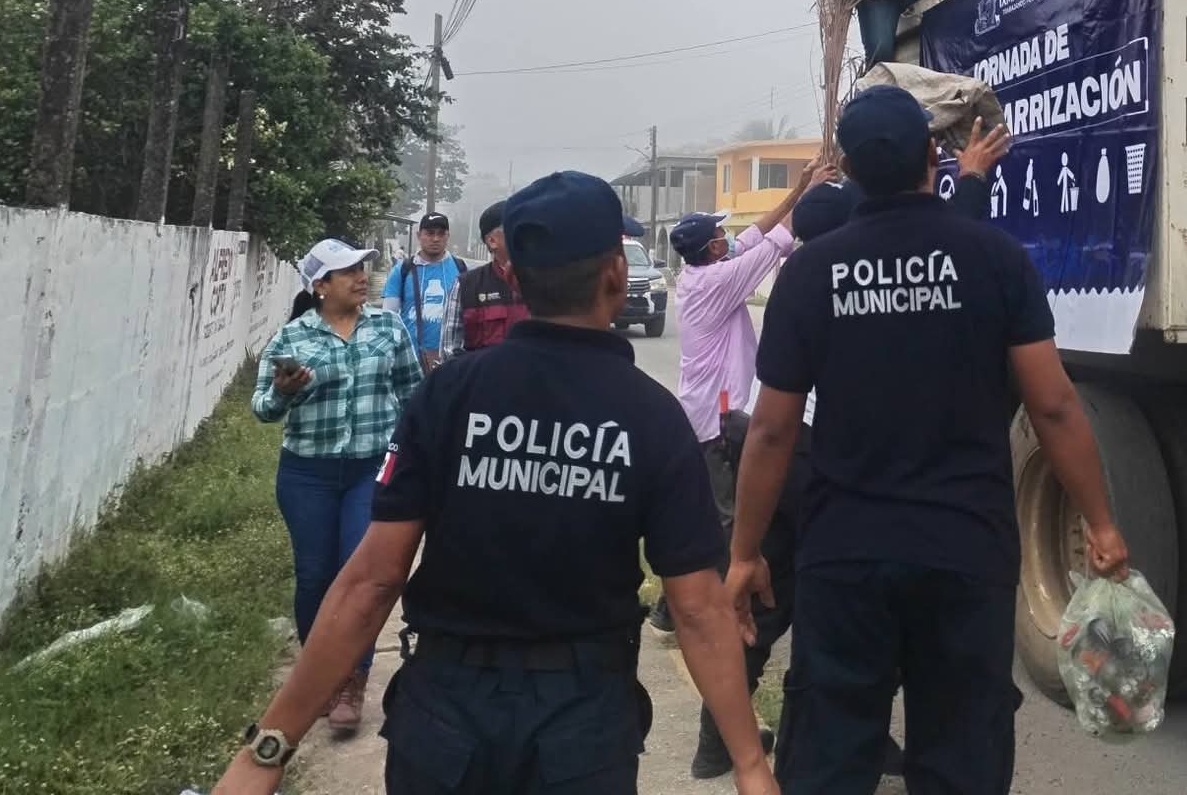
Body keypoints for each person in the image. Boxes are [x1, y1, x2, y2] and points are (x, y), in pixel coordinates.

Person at [212, 172, 779, 795]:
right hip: (583, 729)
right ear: (617, 274)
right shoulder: (653, 417)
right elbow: (696, 609)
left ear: (511, 276)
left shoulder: (449, 394)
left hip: (444, 720)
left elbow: (371, 581)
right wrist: (750, 766)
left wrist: (267, 750)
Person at [727, 88, 1129, 794]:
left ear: (850, 170)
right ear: (930, 158)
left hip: (846, 555)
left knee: (829, 754)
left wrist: (744, 553)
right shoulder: (994, 258)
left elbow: (771, 429)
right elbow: (1055, 406)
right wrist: (1100, 523)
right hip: (964, 551)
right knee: (963, 752)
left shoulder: (812, 273)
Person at [660, 159, 834, 778]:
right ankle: (720, 718)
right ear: (710, 249)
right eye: (719, 234)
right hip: (729, 432)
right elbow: (778, 241)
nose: (727, 237)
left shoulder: (711, 268)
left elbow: (760, 232)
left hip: (740, 428)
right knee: (745, 551)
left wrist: (801, 186)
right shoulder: (716, 283)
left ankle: (718, 716)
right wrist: (812, 199)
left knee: (759, 562)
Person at [251, 237, 423, 734]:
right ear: (321, 286)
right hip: (308, 474)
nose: (360, 278)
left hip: (370, 471)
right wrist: (283, 393)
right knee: (314, 576)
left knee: (361, 575)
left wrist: (415, 456)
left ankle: (352, 679)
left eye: (362, 269)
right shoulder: (292, 338)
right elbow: (262, 409)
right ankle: (319, 675)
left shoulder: (388, 328)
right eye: (348, 272)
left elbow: (414, 394)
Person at [437, 201, 527, 361]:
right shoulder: (466, 286)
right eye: (515, 228)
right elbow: (449, 352)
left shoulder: (548, 281)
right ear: (492, 241)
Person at [382, 211, 467, 371]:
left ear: (447, 236)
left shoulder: (461, 269)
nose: (435, 239)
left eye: (441, 234)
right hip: (410, 362)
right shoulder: (402, 270)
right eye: (430, 233)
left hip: (452, 363)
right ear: (418, 235)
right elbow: (388, 319)